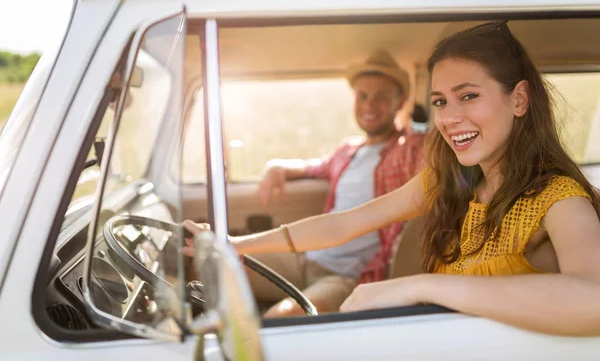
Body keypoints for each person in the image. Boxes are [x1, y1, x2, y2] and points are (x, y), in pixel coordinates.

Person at [185, 20, 600, 336]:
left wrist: (422, 287)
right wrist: (234, 243)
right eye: (440, 101)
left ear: (520, 99)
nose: (450, 118)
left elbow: (593, 299)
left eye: (468, 95)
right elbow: (346, 223)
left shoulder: (559, 199)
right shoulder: (453, 180)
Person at [237, 50, 426, 317]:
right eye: (363, 96)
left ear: (401, 101)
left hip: (347, 276)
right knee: (214, 266)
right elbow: (313, 167)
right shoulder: (348, 150)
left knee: (279, 322)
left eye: (382, 97)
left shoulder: (409, 148)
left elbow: (432, 153)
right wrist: (276, 165)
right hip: (307, 258)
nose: (370, 106)